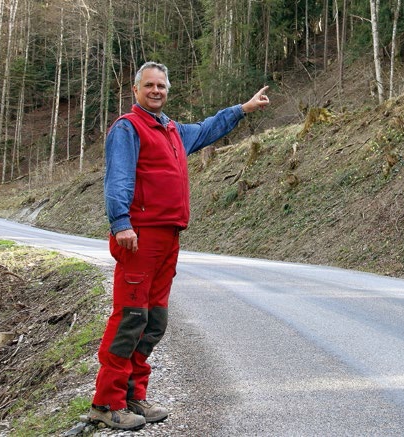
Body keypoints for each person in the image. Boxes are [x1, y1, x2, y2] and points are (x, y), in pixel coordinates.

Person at [88, 61, 270, 430]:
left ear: (168, 91)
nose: (156, 91)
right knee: (130, 317)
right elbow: (118, 177)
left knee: (154, 320)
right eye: (149, 85)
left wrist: (242, 110)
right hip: (138, 236)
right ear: (136, 90)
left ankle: (134, 395)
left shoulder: (172, 130)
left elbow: (207, 129)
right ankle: (106, 403)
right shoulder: (128, 128)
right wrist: (121, 222)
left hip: (169, 237)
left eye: (162, 86)